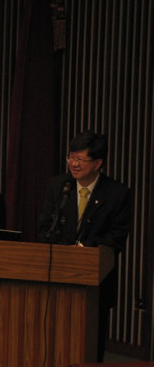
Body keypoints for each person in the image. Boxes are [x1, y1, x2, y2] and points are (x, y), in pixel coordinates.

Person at [36, 129, 132, 362]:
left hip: (95, 283)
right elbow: (44, 227)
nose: (74, 164)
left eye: (80, 159)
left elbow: (116, 237)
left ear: (98, 163)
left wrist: (81, 250)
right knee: (53, 343)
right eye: (71, 157)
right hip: (57, 278)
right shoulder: (59, 186)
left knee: (90, 347)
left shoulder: (117, 194)